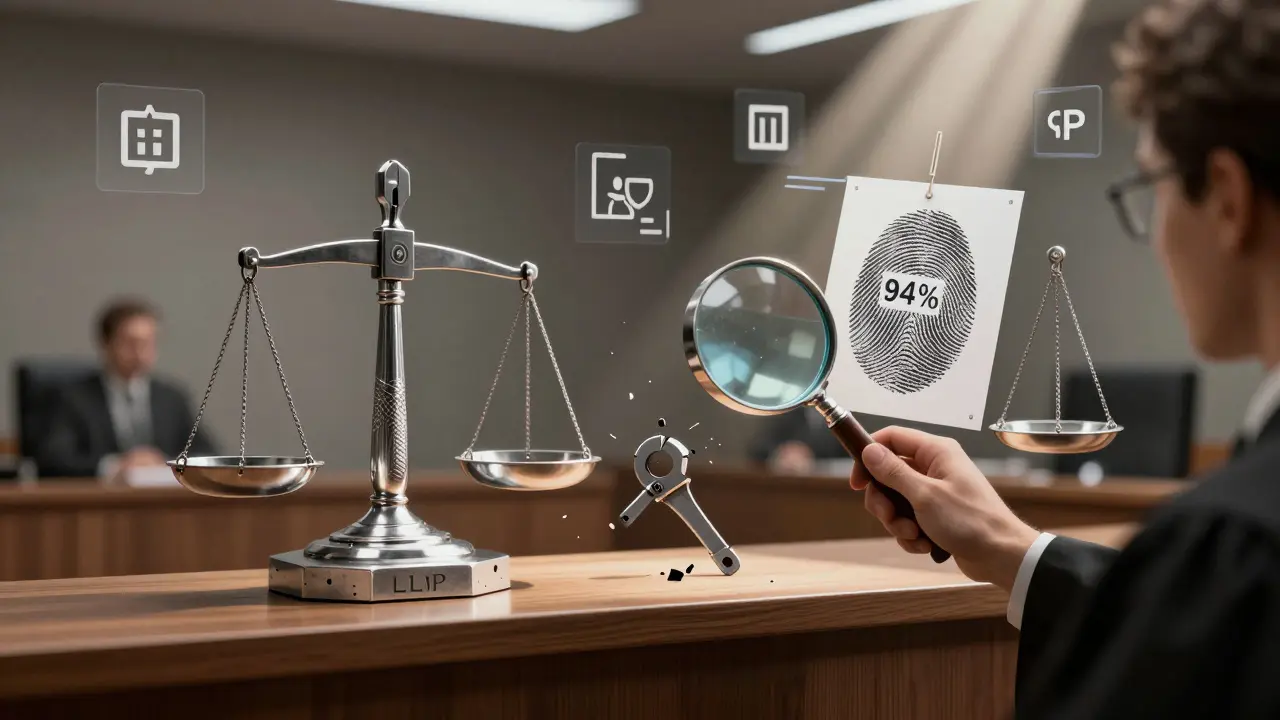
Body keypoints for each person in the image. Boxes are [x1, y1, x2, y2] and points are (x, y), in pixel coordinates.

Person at [850, 0, 1280, 716]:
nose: (1157, 234)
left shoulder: (1233, 544)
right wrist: (1014, 550)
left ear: (1229, 200)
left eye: (1155, 186)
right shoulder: (1227, 562)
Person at [35, 299, 215, 479]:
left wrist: (164, 462)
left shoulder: (171, 397)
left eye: (149, 343)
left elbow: (207, 452)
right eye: (131, 343)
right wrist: (115, 466)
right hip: (99, 500)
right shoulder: (72, 397)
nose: (140, 353)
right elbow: (53, 459)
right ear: (106, 343)